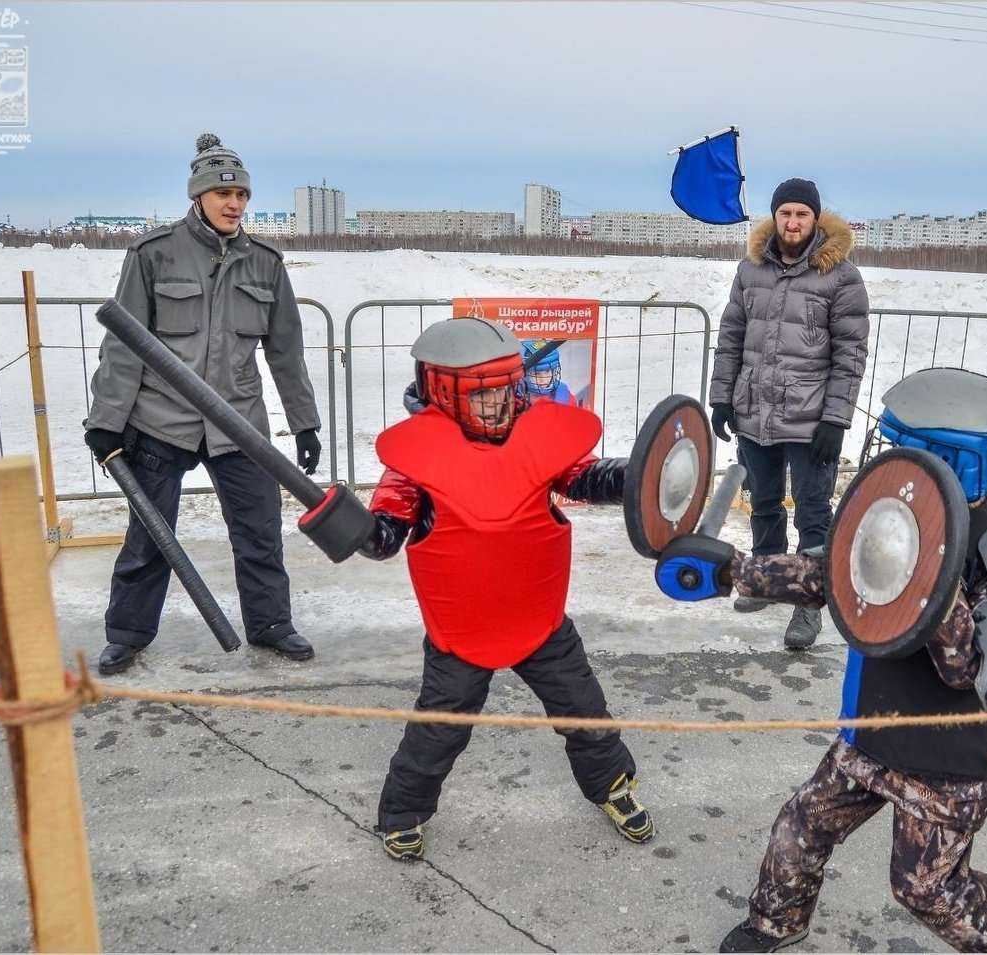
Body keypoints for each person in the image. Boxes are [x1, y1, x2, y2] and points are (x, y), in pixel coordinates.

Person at [658, 369, 987, 953]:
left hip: (950, 755)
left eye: (908, 449)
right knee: (801, 826)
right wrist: (730, 572)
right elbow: (835, 575)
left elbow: (970, 674)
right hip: (876, 728)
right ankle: (777, 921)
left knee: (928, 890)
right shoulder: (900, 511)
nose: (890, 457)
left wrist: (930, 576)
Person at [363, 317, 651, 862]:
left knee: (582, 708)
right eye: (484, 398)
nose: (499, 407)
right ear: (445, 395)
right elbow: (383, 534)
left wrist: (639, 475)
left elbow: (583, 476)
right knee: (441, 727)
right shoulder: (414, 463)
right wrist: (351, 527)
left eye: (506, 393)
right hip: (463, 628)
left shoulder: (533, 437)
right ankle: (402, 812)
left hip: (537, 617)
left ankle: (613, 787)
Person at [83, 133, 322, 675]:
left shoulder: (265, 263)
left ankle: (270, 625)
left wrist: (304, 423)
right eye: (223, 193)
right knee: (149, 535)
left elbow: (286, 351)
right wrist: (107, 421)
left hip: (238, 423)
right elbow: (123, 343)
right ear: (198, 196)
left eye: (241, 194)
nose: (234, 203)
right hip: (160, 420)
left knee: (259, 531)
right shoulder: (155, 253)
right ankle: (127, 634)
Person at [708, 177, 870, 650]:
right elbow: (732, 336)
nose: (793, 222)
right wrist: (722, 398)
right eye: (786, 214)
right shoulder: (750, 269)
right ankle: (766, 580)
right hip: (755, 409)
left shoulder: (840, 276)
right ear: (774, 217)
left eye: (801, 214)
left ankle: (808, 602)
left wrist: (835, 420)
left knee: (813, 513)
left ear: (815, 219)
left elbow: (850, 354)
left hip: (810, 418)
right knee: (762, 501)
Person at [520, 338, 576, 405]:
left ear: (554, 370)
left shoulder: (564, 395)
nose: (543, 379)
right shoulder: (516, 395)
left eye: (547, 371)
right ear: (524, 374)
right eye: (536, 373)